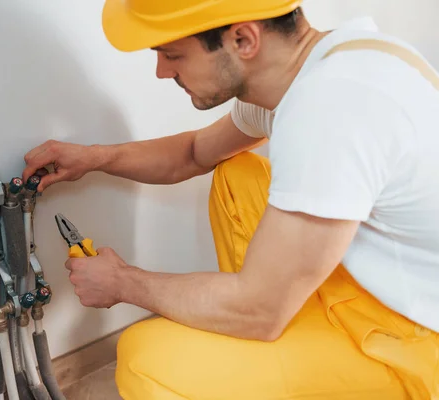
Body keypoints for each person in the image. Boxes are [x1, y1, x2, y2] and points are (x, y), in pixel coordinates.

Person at [23, 1, 439, 399]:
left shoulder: (332, 110)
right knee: (235, 174)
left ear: (243, 40)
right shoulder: (325, 64)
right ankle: (269, 325)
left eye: (172, 54)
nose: (161, 71)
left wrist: (122, 281)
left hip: (415, 345)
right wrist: (95, 158)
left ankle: (268, 331)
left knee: (145, 361)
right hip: (375, 283)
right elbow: (193, 152)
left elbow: (259, 308)